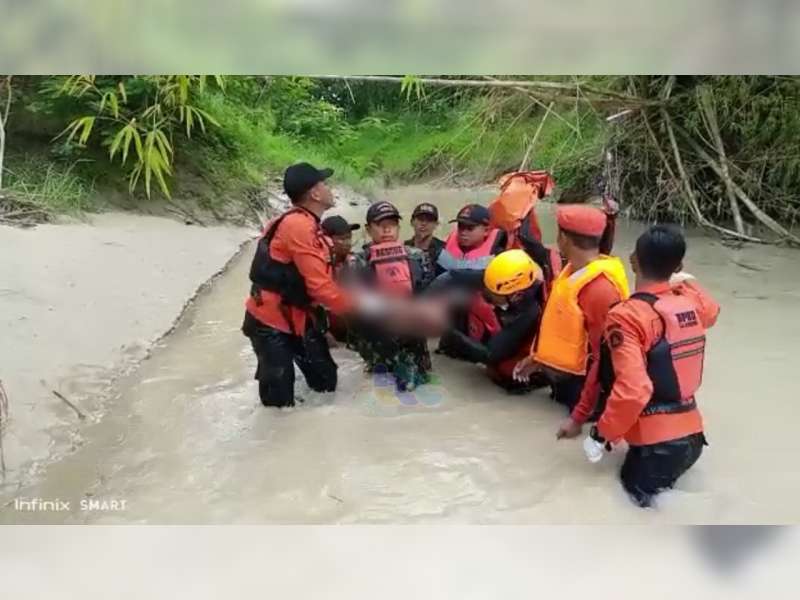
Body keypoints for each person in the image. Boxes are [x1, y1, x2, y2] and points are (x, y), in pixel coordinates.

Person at [243, 163, 448, 408]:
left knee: (326, 382)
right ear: (315, 194)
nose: (329, 188)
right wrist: (368, 304)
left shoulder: (309, 225)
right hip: (271, 321)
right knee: (278, 404)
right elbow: (321, 289)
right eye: (324, 184)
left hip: (300, 315)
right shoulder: (298, 226)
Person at [581, 225, 720, 508]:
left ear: (633, 259)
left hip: (657, 447)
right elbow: (713, 310)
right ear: (679, 265)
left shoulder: (627, 316)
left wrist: (601, 434)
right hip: (693, 439)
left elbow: (634, 390)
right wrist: (685, 281)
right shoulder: (690, 302)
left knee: (636, 519)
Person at [514, 204, 630, 420]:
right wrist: (538, 358)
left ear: (563, 238)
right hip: (564, 382)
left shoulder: (599, 289)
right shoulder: (572, 272)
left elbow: (605, 357)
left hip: (585, 394)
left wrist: (583, 411)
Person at [347, 201, 435, 391]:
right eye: (380, 224)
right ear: (368, 229)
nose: (387, 230)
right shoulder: (357, 262)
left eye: (392, 224)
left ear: (399, 228)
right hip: (379, 338)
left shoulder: (418, 256)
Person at [439, 249, 547, 393]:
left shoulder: (530, 312)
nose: (487, 296)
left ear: (516, 296)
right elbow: (454, 276)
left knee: (507, 373)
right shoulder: (499, 278)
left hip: (516, 357)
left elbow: (490, 354)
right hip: (501, 329)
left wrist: (447, 330)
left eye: (492, 296)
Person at [319, 215, 360, 345]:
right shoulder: (317, 267)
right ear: (327, 240)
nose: (347, 242)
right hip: (328, 334)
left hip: (355, 333)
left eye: (349, 237)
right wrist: (323, 331)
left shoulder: (358, 262)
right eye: (342, 238)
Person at [405, 202, 446, 275]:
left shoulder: (444, 250)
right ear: (412, 222)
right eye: (420, 219)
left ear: (436, 225)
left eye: (429, 220)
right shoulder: (403, 249)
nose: (424, 223)